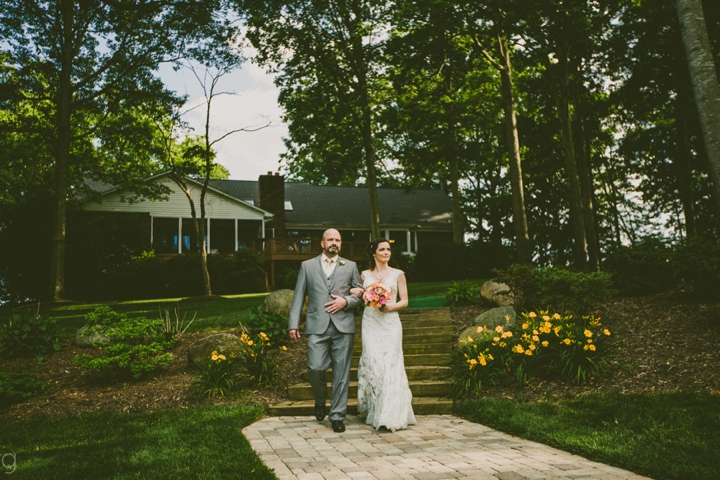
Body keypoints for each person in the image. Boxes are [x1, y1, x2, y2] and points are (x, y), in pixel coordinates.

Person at [288, 228, 363, 433]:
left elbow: (360, 294)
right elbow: (298, 296)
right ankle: (320, 399)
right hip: (317, 326)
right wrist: (293, 323)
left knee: (341, 373)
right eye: (330, 239)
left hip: (343, 326)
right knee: (315, 367)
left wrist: (345, 301)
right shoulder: (307, 266)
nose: (334, 243)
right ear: (322, 243)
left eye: (338, 240)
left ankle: (337, 416)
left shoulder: (351, 266)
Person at [352, 238, 416, 431]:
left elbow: (404, 301)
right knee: (373, 363)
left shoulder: (398, 274)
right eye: (382, 249)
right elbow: (360, 296)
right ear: (374, 253)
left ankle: (391, 414)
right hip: (371, 323)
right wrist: (361, 293)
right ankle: (374, 409)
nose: (387, 252)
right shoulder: (364, 275)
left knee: (390, 364)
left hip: (390, 323)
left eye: (388, 249)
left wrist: (389, 307)